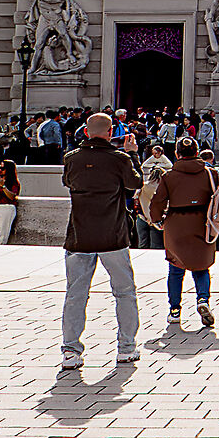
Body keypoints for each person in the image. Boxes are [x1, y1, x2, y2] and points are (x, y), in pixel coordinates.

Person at [59, 112, 143, 369]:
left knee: (76, 294)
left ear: (85, 132)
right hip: (113, 236)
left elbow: (67, 181)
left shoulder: (71, 159)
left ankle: (71, 351)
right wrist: (132, 154)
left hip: (79, 236)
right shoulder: (119, 159)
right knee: (124, 292)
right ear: (110, 132)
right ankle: (126, 348)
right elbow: (135, 183)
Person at [151, 138, 219, 327]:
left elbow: (158, 201)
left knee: (175, 269)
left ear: (177, 154)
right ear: (197, 152)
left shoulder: (169, 176)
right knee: (201, 266)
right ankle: (203, 300)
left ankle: (174, 311)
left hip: (176, 223)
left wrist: (157, 220)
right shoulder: (210, 173)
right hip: (202, 222)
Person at [0, 158, 22, 244]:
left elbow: (12, 196)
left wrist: (3, 186)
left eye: (3, 168)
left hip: (5, 208)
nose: (0, 170)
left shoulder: (14, 182)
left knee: (2, 237)